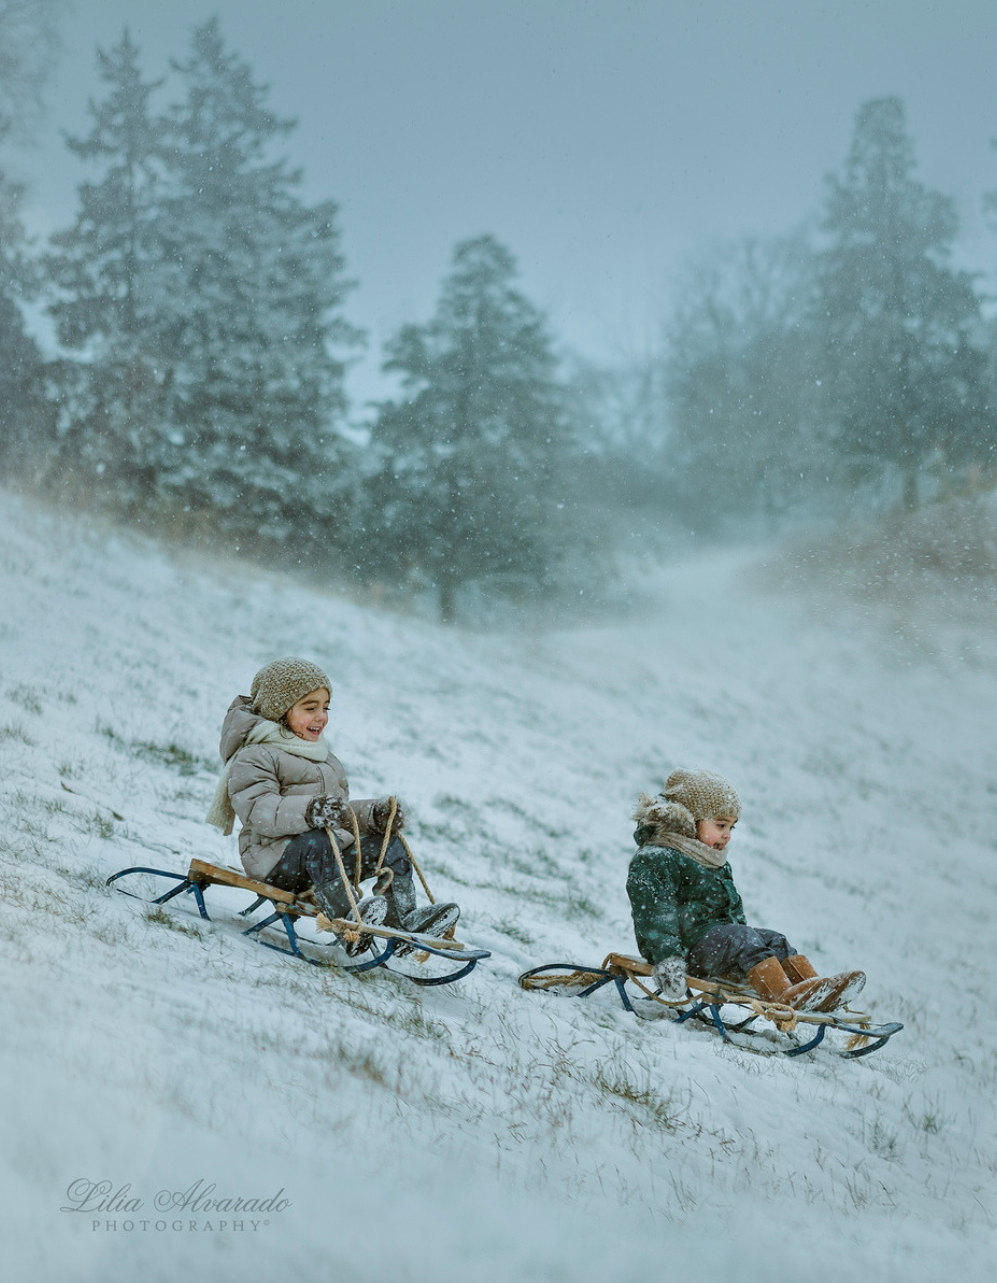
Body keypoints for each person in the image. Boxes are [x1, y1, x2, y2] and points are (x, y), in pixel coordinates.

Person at [206, 656, 459, 956]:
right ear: (279, 709)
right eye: (310, 708)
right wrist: (311, 811)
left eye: (325, 708)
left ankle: (400, 922)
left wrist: (373, 816)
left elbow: (338, 815)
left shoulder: (324, 759)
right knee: (316, 841)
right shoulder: (256, 755)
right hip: (275, 862)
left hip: (326, 862)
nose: (321, 717)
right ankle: (347, 925)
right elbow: (260, 811)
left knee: (386, 845)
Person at [626, 768, 865, 1012]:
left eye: (731, 827)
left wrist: (748, 950)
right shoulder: (658, 857)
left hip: (716, 944)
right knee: (742, 939)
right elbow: (654, 915)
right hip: (685, 953)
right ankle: (783, 996)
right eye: (720, 825)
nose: (727, 835)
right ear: (689, 820)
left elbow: (732, 912)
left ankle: (814, 991)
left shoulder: (711, 859)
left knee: (775, 940)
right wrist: (668, 960)